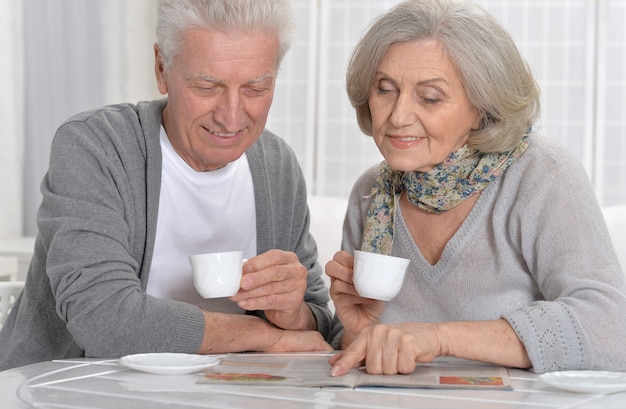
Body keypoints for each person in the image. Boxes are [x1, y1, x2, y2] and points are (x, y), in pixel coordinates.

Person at [0, 0, 333, 372]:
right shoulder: (95, 146)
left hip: (223, 400)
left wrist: (293, 314)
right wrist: (265, 335)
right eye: (207, 86)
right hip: (63, 394)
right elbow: (105, 319)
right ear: (162, 67)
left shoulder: (276, 165)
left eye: (256, 88)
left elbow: (321, 322)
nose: (232, 116)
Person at [326, 0, 626, 377]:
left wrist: (439, 338)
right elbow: (356, 348)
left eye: (429, 97)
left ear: (482, 107)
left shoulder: (541, 174)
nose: (398, 116)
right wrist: (357, 331)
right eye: (385, 90)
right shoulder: (372, 193)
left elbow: (612, 329)